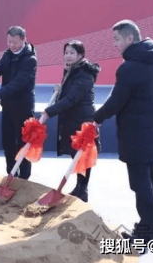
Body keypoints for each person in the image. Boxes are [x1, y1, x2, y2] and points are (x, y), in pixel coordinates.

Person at [93, 20, 153, 243]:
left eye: (117, 39)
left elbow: (116, 101)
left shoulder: (129, 68)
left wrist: (97, 118)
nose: (115, 44)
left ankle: (146, 232)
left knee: (140, 183)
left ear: (130, 38)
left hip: (136, 134)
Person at [39, 40, 101, 201]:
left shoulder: (85, 73)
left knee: (83, 157)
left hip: (83, 121)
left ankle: (83, 190)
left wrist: (49, 112)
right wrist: (60, 91)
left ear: (80, 55)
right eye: (66, 53)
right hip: (73, 119)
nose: (68, 56)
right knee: (76, 156)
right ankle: (79, 188)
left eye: (72, 53)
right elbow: (67, 95)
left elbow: (72, 98)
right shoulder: (71, 70)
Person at [0, 26, 37, 180]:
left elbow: (18, 83)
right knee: (8, 142)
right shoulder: (7, 54)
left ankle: (24, 177)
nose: (11, 45)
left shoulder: (30, 59)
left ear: (24, 40)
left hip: (23, 107)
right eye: (9, 42)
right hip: (8, 106)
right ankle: (11, 174)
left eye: (14, 42)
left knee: (23, 143)